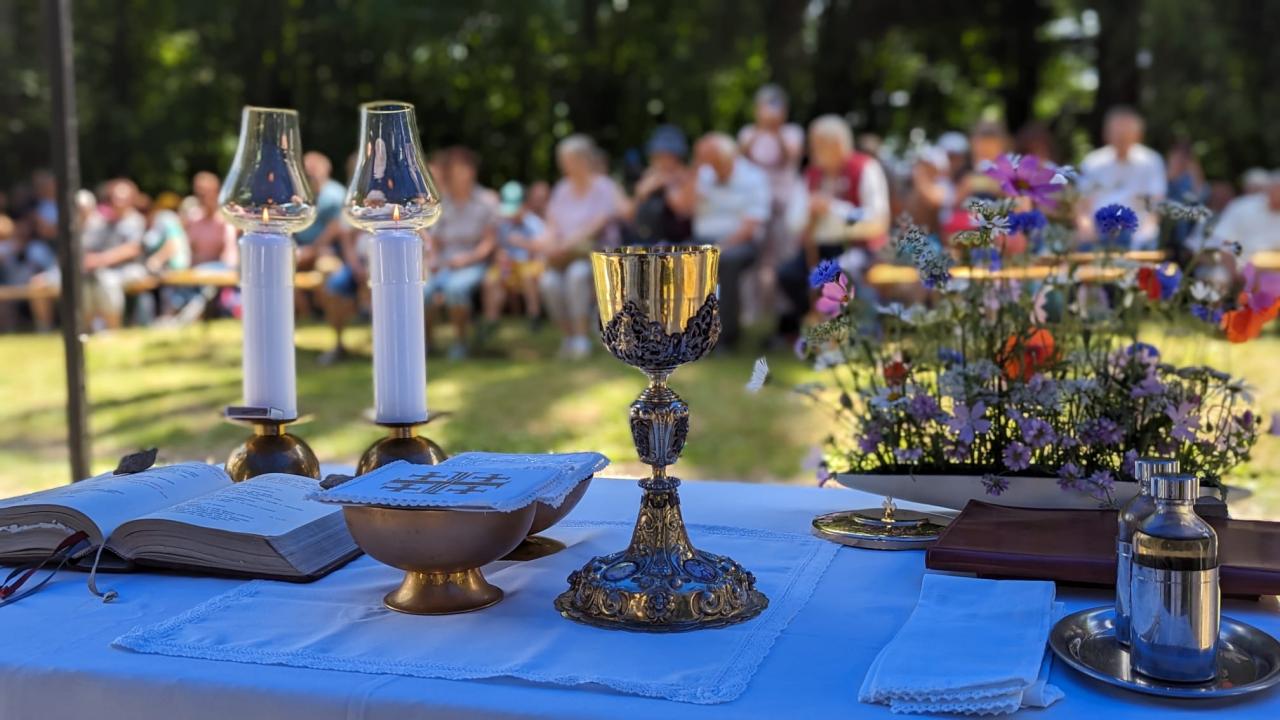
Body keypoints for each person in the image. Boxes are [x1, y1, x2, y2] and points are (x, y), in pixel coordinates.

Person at [776, 115, 890, 339]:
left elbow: (878, 220)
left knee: (844, 271)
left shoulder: (866, 168)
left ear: (837, 144)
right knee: (789, 275)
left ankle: (863, 332)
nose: (812, 151)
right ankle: (820, 327)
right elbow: (792, 222)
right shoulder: (811, 175)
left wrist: (834, 208)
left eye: (818, 145)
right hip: (819, 249)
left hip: (859, 248)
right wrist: (809, 211)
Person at [536, 134, 630, 360]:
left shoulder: (604, 187)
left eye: (569, 160)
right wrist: (545, 244)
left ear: (584, 160)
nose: (565, 166)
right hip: (563, 255)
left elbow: (596, 225)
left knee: (577, 276)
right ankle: (568, 336)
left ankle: (581, 338)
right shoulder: (561, 189)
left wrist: (565, 245)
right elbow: (552, 225)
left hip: (595, 256)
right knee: (548, 282)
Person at [678, 132, 769, 349]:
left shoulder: (753, 177)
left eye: (716, 162)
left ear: (730, 158)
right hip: (702, 239)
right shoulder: (703, 173)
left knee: (726, 262)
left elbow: (751, 225)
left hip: (739, 242)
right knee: (678, 257)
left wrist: (721, 247)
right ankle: (687, 331)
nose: (713, 168)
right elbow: (683, 208)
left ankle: (725, 337)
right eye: (707, 162)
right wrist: (695, 171)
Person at [423, 147, 497, 360]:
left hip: (475, 262)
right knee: (423, 291)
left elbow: (489, 242)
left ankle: (460, 342)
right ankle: (426, 343)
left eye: (462, 169)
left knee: (455, 289)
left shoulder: (487, 200)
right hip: (444, 263)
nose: (457, 175)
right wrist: (433, 260)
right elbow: (435, 240)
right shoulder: (442, 203)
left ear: (472, 171)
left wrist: (467, 259)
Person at [738, 85, 805, 315]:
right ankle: (751, 311)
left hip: (784, 203)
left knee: (784, 255)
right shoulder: (748, 133)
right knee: (753, 258)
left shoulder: (792, 132)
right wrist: (761, 129)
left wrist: (775, 130)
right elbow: (741, 159)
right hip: (755, 204)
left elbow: (789, 157)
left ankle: (783, 311)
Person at [1078, 106, 1166, 249]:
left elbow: (1156, 204)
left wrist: (1147, 232)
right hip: (1099, 231)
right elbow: (1083, 206)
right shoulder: (1092, 162)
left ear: (1138, 135)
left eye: (1125, 134)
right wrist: (1085, 227)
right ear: (1106, 133)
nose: (1121, 138)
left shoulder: (1151, 161)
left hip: (1137, 230)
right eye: (1117, 133)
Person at [481, 181, 546, 336]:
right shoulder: (503, 223)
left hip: (529, 264)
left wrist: (523, 243)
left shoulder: (534, 223)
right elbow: (497, 246)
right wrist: (500, 254)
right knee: (490, 279)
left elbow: (543, 247)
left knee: (528, 276)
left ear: (524, 205)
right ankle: (491, 321)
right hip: (508, 266)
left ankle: (534, 317)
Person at [83, 179, 148, 330]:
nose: (119, 202)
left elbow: (133, 249)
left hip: (132, 269)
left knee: (108, 281)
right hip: (104, 269)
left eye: (123, 198)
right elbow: (90, 245)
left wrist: (101, 259)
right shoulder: (103, 221)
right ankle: (88, 329)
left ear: (132, 199)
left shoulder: (136, 220)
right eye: (115, 198)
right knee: (85, 282)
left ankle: (113, 328)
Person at [629, 124, 692, 246]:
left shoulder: (686, 176)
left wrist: (666, 184)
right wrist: (642, 192)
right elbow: (630, 214)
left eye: (664, 156)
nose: (660, 161)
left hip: (676, 243)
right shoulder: (650, 176)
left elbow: (682, 209)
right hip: (647, 240)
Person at [1212, 171, 1280, 262]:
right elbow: (1223, 240)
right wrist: (1243, 264)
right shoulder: (1242, 206)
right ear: (1271, 188)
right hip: (1240, 263)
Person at [295, 152, 347, 270]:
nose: (310, 174)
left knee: (325, 267)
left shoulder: (335, 195)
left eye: (314, 170)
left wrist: (312, 250)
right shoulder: (299, 194)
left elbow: (335, 228)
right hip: (300, 247)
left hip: (328, 249)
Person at [183, 171, 237, 268]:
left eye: (205, 193)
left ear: (216, 192)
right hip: (196, 271)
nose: (201, 197)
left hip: (221, 271)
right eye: (198, 193)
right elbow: (187, 250)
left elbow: (230, 252)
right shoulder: (193, 217)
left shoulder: (226, 219)